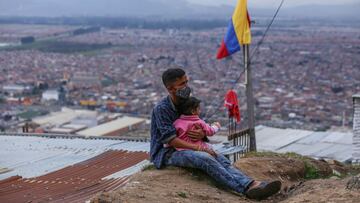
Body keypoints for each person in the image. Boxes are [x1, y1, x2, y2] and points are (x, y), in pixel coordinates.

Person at [150, 68, 281, 200]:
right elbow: (171, 140)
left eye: (186, 82)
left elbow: (197, 123)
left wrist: (201, 134)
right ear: (170, 88)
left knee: (220, 157)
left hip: (189, 146)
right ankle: (245, 189)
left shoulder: (186, 102)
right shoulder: (162, 109)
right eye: (182, 84)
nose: (186, 87)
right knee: (205, 158)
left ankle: (252, 183)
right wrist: (200, 148)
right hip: (167, 153)